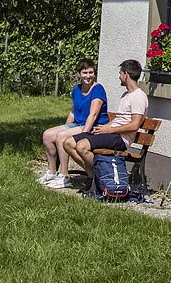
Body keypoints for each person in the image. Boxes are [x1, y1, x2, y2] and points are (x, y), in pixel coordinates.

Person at [67, 59, 149, 188]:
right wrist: (104, 127)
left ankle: (101, 178)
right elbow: (119, 120)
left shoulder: (138, 97)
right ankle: (93, 176)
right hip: (113, 133)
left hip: (121, 138)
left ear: (126, 75)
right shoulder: (126, 95)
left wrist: (109, 130)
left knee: (81, 146)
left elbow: (134, 126)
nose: (119, 77)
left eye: (120, 73)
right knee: (69, 143)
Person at [38, 58, 108, 189]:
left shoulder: (98, 89)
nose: (88, 76)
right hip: (78, 123)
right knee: (47, 135)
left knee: (62, 137)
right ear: (79, 74)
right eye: (85, 72)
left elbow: (93, 116)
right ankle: (52, 172)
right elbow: (73, 112)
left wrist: (83, 134)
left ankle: (64, 176)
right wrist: (64, 127)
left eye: (91, 72)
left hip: (93, 126)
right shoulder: (77, 89)